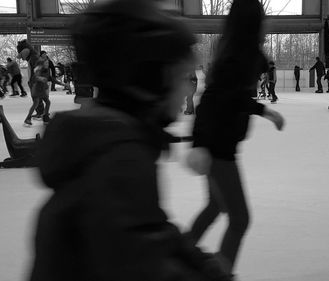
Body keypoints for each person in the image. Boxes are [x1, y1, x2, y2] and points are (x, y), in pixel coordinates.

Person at [28, 1, 233, 280]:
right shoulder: (119, 159)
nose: (187, 86)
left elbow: (151, 230)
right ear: (150, 80)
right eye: (180, 75)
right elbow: (141, 267)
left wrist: (201, 264)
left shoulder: (111, 143)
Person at [185, 0, 285, 276]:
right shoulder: (239, 57)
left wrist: (265, 111)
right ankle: (219, 271)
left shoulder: (239, 53)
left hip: (219, 147)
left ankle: (181, 251)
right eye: (263, 19)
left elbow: (235, 98)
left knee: (216, 206)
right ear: (253, 24)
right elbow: (212, 101)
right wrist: (200, 146)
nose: (268, 24)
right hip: (218, 151)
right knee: (239, 219)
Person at [24, 58, 51, 125]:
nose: (48, 64)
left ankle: (44, 117)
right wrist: (40, 78)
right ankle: (44, 117)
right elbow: (35, 77)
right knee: (37, 103)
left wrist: (63, 84)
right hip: (36, 89)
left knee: (46, 102)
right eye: (46, 63)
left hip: (41, 89)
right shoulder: (38, 69)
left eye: (48, 63)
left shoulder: (45, 69)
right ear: (42, 63)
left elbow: (49, 78)